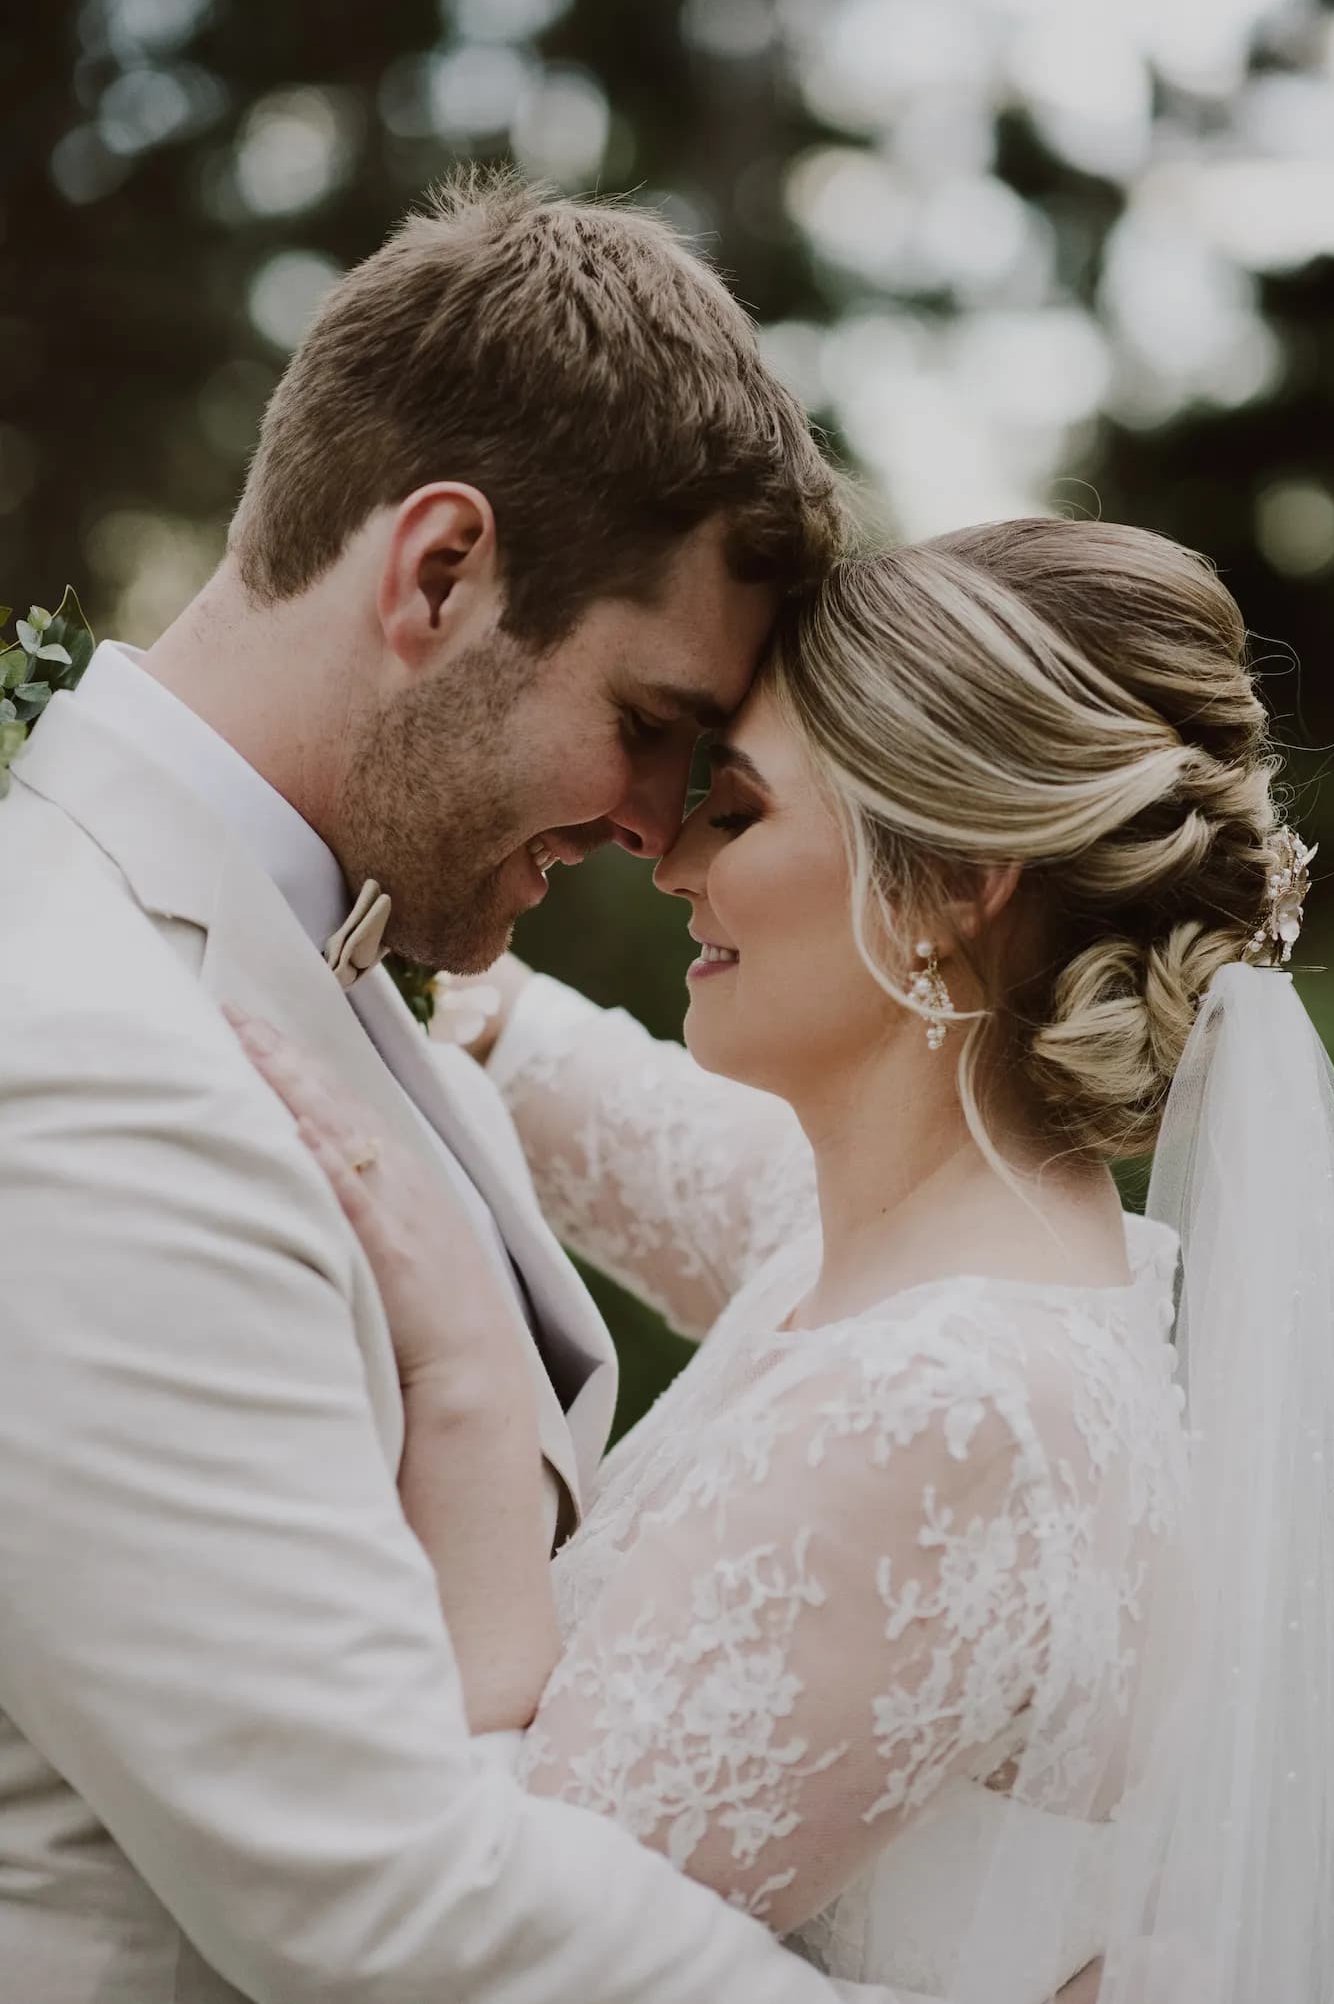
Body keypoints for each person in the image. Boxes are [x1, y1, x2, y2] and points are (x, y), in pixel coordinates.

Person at [0, 169, 953, 2004]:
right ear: (439, 571)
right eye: (655, 727)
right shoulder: (85, 1068)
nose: (657, 828)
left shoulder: (317, 968)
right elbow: (383, 1897)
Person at [241, 516, 1334, 2001]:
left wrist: (465, 1382)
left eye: (738, 810)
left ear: (955, 881)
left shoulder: (959, 1412)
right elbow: (555, 1062)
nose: (673, 856)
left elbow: (460, 1938)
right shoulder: (908, 1237)